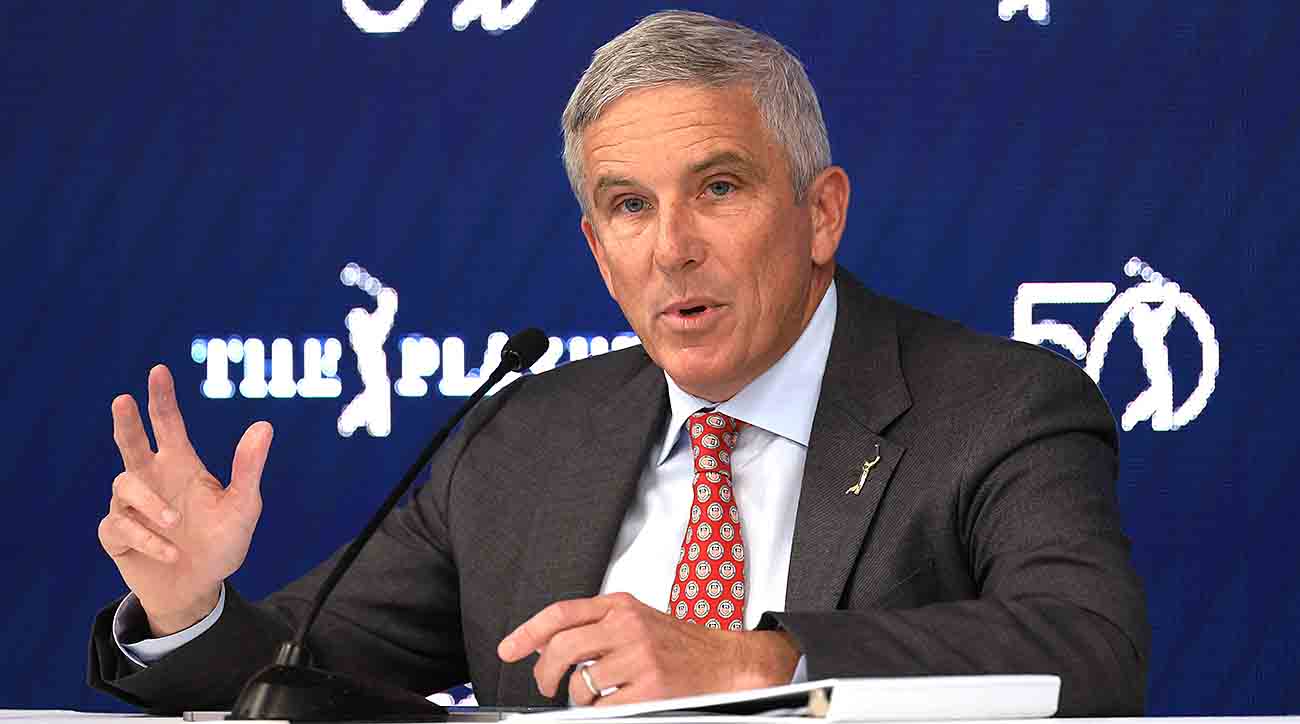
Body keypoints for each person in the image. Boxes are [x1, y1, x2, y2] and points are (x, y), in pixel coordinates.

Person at [89, 10, 1148, 716]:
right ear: (598, 253)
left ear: (820, 214)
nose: (671, 245)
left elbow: (1088, 650)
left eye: (719, 187)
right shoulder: (517, 441)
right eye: (628, 207)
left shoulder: (997, 407)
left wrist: (753, 662)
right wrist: (191, 609)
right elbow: (300, 676)